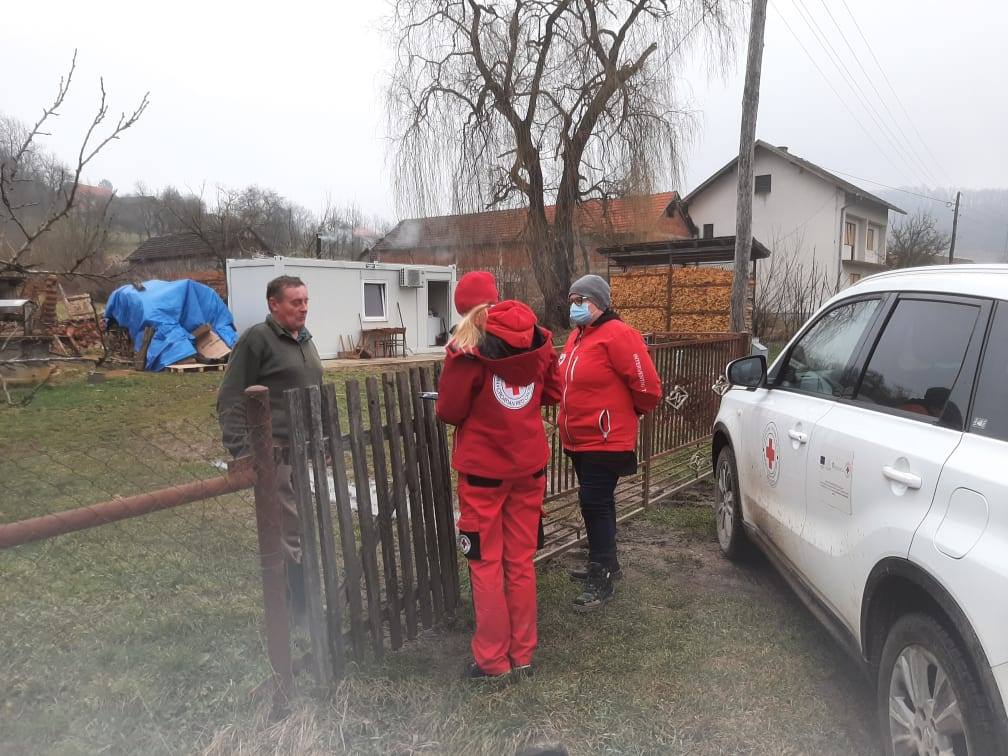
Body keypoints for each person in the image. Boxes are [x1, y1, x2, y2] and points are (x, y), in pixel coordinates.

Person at [436, 271, 562, 680]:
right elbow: (554, 392)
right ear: (495, 299)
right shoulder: (539, 339)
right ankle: (522, 654)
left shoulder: (466, 347)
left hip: (484, 472)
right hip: (529, 466)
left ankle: (492, 660)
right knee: (520, 562)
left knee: (486, 562)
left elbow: (450, 411)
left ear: (462, 308)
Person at [217, 275, 323, 622]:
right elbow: (230, 396)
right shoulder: (256, 340)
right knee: (287, 526)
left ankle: (302, 599)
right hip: (273, 452)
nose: (303, 307)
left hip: (302, 449)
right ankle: (296, 609)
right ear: (273, 304)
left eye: (306, 301)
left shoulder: (304, 340)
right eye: (295, 302)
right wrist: (242, 450)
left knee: (302, 523)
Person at [558, 274, 661, 612]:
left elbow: (648, 388)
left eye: (580, 300)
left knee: (594, 502)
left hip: (605, 438)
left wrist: (626, 414)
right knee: (599, 502)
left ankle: (600, 574)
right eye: (572, 300)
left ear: (598, 302)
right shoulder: (576, 338)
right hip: (578, 439)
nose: (574, 306)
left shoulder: (620, 335)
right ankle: (608, 564)